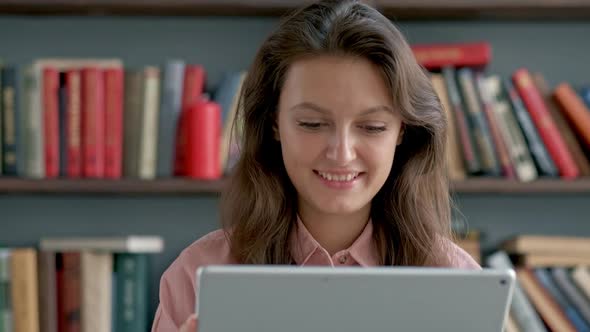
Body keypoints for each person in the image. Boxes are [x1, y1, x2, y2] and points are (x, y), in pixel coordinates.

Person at [152, 0, 480, 330]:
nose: (341, 154)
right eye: (311, 123)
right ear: (274, 124)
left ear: (402, 131)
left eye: (372, 127)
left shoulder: (456, 281)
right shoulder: (196, 276)